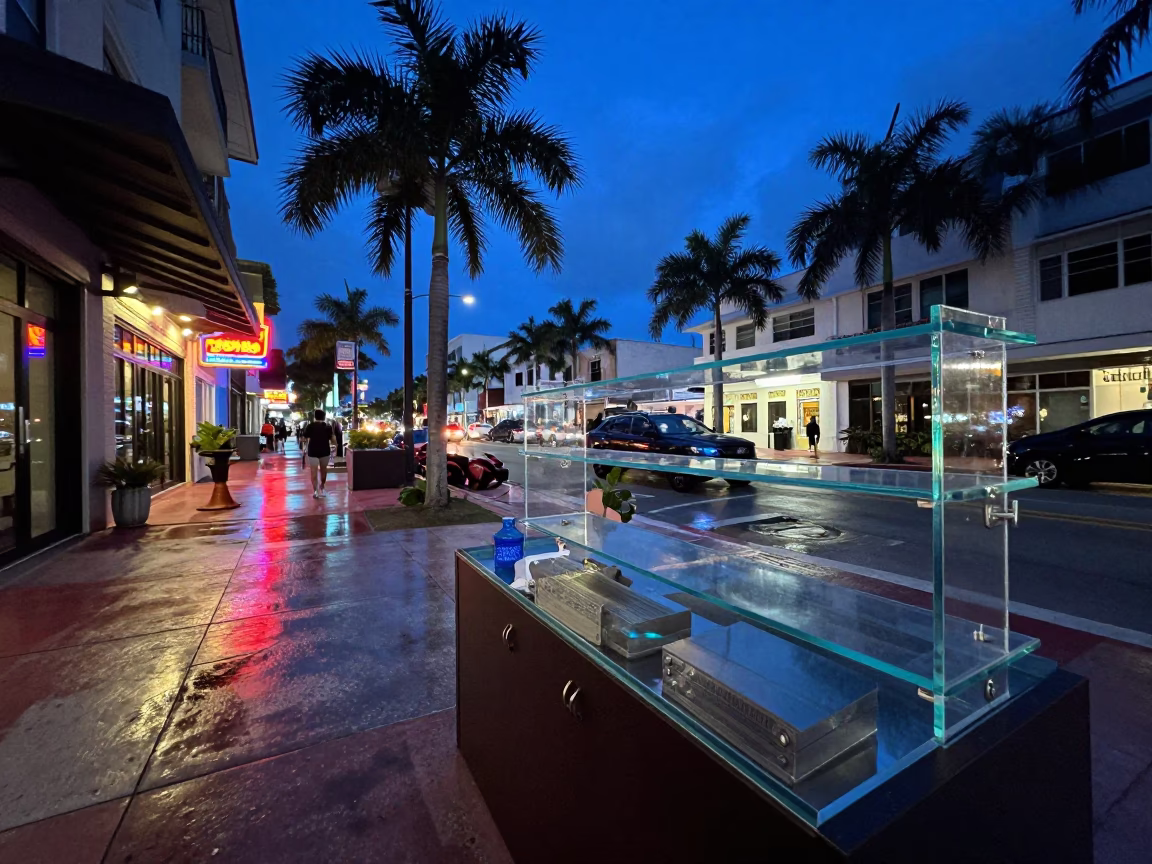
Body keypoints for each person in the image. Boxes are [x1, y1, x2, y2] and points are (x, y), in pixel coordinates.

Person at [303, 409, 336, 498]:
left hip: (312, 451)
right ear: (324, 417)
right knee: (323, 470)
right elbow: (333, 441)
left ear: (315, 417)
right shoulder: (328, 427)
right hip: (325, 450)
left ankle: (315, 491)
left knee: (313, 472)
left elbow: (303, 438)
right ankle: (322, 487)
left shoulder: (310, 426)